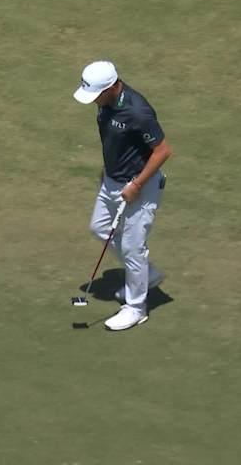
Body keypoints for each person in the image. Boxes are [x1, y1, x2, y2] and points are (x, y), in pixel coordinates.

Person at [73, 60, 172, 331]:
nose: (93, 101)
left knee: (132, 247)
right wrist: (107, 171)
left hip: (140, 186)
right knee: (99, 227)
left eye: (96, 95)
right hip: (112, 180)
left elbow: (163, 150)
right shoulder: (104, 106)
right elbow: (116, 143)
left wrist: (137, 184)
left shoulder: (137, 111)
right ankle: (145, 273)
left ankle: (136, 308)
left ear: (111, 87)